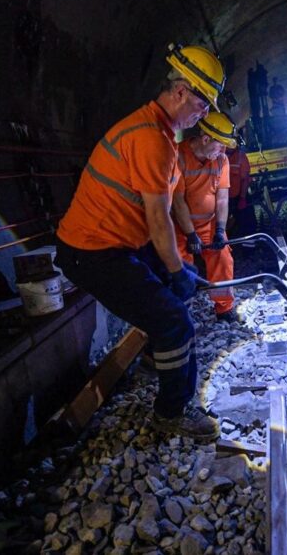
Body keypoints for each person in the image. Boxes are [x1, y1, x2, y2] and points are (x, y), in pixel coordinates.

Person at [54, 43, 226, 441]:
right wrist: (173, 268)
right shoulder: (152, 139)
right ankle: (172, 413)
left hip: (114, 243)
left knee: (171, 303)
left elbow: (155, 218)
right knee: (173, 319)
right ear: (181, 91)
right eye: (203, 105)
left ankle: (159, 360)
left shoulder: (157, 130)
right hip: (93, 251)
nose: (204, 114)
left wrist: (175, 269)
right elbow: (157, 218)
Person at [172, 111, 239, 322]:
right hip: (180, 227)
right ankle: (179, 314)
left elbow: (222, 199)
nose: (223, 150)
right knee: (178, 266)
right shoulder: (177, 156)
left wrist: (220, 229)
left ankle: (224, 309)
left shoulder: (221, 160)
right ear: (205, 138)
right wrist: (191, 234)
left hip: (208, 224)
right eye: (220, 145)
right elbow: (177, 200)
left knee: (222, 258)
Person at [226, 141, 255, 237]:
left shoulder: (240, 156)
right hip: (224, 197)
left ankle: (248, 247)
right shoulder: (218, 154)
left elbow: (245, 179)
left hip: (237, 196)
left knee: (247, 220)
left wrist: (242, 198)